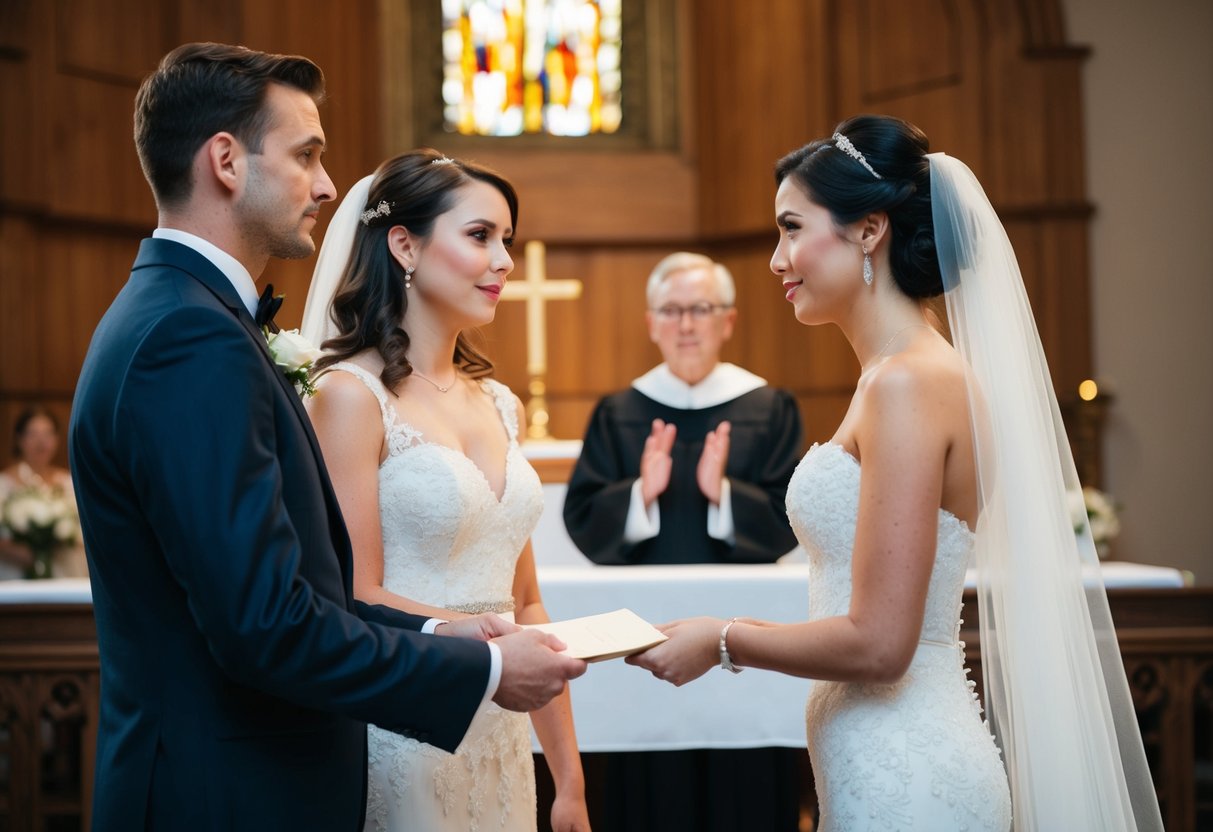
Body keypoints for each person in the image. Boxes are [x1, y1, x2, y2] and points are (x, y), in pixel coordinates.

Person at [68, 43, 584, 831]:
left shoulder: (190, 319)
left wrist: (443, 628)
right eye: (306, 154)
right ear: (226, 161)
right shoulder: (188, 339)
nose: (328, 185)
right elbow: (265, 626)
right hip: (224, 794)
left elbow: (295, 590)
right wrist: (477, 666)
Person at [630, 115, 1164, 831]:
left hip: (909, 775)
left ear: (867, 231)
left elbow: (880, 645)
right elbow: (855, 607)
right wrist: (718, 625)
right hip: (877, 762)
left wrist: (722, 639)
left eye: (791, 228)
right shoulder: (897, 374)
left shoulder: (908, 383)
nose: (775, 259)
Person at [300, 149, 590, 832]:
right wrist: (475, 646)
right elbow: (353, 593)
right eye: (480, 235)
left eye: (507, 241)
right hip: (407, 722)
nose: (504, 261)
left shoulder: (498, 403)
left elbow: (525, 602)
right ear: (404, 244)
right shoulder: (348, 397)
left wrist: (569, 777)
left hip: (502, 732)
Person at [562, 252, 803, 565]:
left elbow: (792, 518)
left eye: (701, 309)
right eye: (670, 311)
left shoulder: (770, 409)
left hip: (740, 603)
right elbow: (583, 517)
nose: (686, 325)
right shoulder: (616, 413)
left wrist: (724, 495)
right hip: (640, 602)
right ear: (651, 324)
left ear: (728, 321)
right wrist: (640, 495)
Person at [0, 406, 87, 578]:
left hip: (62, 568)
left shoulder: (68, 481)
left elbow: (81, 529)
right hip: (14, 569)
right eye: (33, 434)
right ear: (20, 439)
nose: (41, 442)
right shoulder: (4, 482)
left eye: (48, 434)